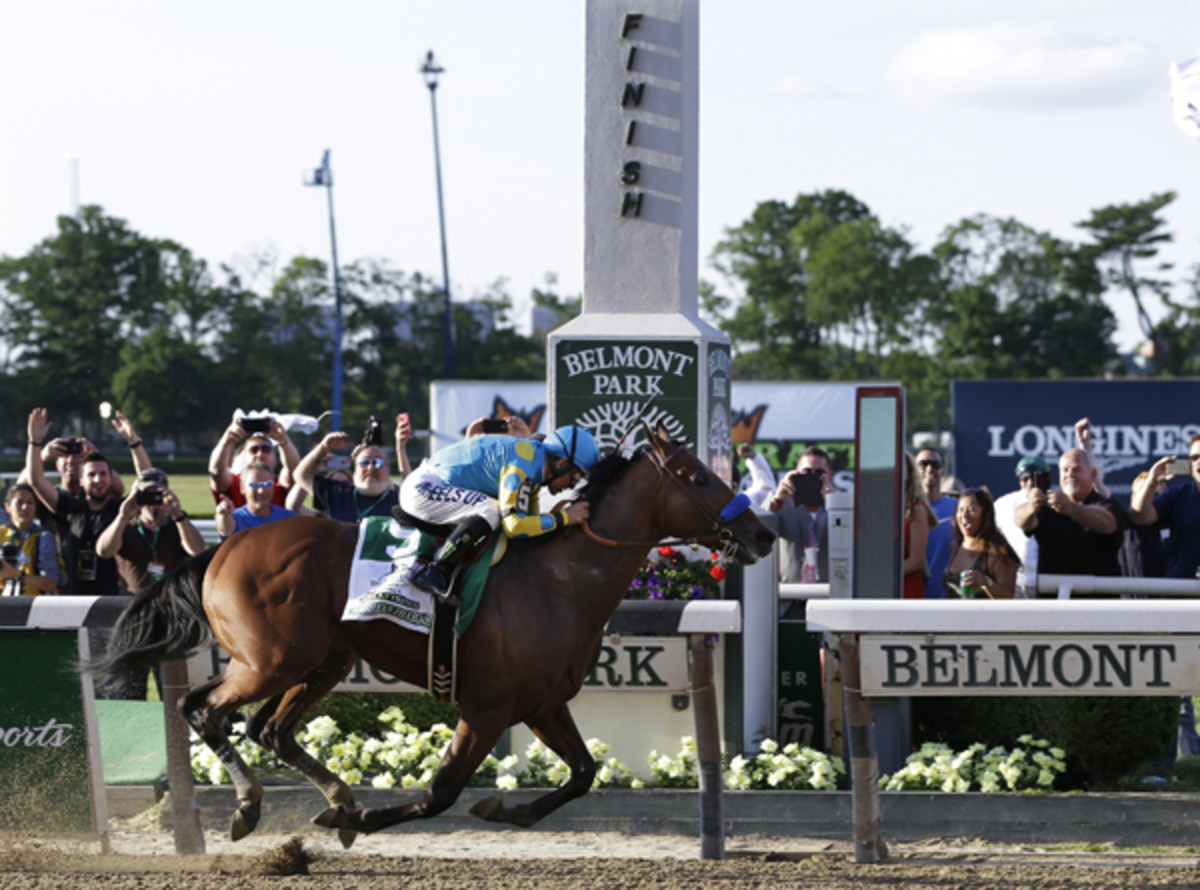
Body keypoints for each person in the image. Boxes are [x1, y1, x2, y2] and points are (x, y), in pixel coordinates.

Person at [398, 424, 600, 601]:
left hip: (433, 486)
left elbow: (530, 522)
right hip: (422, 489)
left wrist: (554, 519)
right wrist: (564, 518)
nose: (572, 485)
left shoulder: (534, 464)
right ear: (561, 464)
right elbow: (514, 526)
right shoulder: (523, 465)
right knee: (492, 509)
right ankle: (437, 569)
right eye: (576, 476)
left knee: (492, 509)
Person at [25, 408, 149, 596]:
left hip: (114, 597)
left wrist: (134, 442)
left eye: (103, 474)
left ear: (111, 477)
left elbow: (147, 481)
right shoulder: (70, 508)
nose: (98, 480)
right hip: (75, 597)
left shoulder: (121, 509)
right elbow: (36, 480)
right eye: (92, 475)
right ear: (81, 480)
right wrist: (35, 444)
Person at [1014, 447, 1125, 582]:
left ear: (1093, 474)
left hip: (1098, 599)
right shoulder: (1047, 505)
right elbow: (1021, 520)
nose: (1070, 475)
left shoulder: (1105, 505)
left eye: (1076, 470)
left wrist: (1071, 509)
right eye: (1065, 470)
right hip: (1056, 598)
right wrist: (1031, 506)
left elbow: (1107, 523)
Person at [96, 468, 206, 592]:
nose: (153, 501)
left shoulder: (178, 525)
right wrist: (123, 516)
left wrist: (179, 515)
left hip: (170, 600)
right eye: (147, 495)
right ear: (137, 497)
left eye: (157, 495)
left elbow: (197, 550)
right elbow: (104, 552)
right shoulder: (126, 526)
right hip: (133, 603)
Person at [293, 413, 413, 522]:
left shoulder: (398, 501)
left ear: (388, 470)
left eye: (378, 462)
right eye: (364, 462)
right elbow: (301, 475)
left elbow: (413, 490)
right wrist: (323, 448)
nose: (371, 467)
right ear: (355, 471)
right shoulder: (338, 495)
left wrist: (400, 448)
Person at [764, 445, 836, 585]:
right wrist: (778, 500)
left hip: (827, 594)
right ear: (796, 474)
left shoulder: (840, 505)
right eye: (807, 471)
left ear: (830, 476)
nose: (812, 476)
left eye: (819, 472)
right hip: (789, 595)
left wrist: (834, 504)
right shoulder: (783, 504)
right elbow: (761, 529)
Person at [208, 412, 300, 510]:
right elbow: (216, 472)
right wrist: (227, 440)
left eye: (266, 449)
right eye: (254, 450)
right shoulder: (234, 485)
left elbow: (294, 470)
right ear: (243, 458)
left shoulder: (279, 485)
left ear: (275, 459)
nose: (259, 454)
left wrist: (283, 440)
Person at [943, 488, 1020, 599]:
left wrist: (986, 582)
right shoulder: (955, 547)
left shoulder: (998, 553)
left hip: (985, 615)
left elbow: (1008, 595)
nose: (965, 516)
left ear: (985, 515)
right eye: (961, 510)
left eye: (971, 510)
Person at [993, 454, 1050, 586]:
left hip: (1048, 580)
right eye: (1025, 478)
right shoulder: (1003, 504)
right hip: (1014, 580)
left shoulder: (1057, 503)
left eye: (1035, 478)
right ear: (1020, 481)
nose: (1030, 483)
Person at [0, 483, 63, 596]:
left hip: (32, 607)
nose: (25, 507)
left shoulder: (43, 537)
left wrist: (16, 574)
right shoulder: (1, 533)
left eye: (30, 502)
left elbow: (50, 584)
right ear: (7, 507)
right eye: (20, 502)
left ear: (36, 507)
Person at [915, 447, 957, 598]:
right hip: (913, 597)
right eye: (923, 464)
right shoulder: (905, 509)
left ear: (943, 471)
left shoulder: (957, 508)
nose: (929, 469)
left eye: (935, 464)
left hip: (947, 598)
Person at [215, 461, 297, 538]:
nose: (261, 491)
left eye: (267, 484)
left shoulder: (288, 518)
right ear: (242, 488)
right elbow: (225, 530)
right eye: (254, 485)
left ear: (273, 487)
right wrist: (224, 515)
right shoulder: (235, 518)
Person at [902, 453, 937, 599]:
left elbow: (916, 561)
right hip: (882, 589)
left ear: (909, 474)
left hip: (907, 589)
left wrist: (883, 573)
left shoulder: (916, 509)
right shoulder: (881, 510)